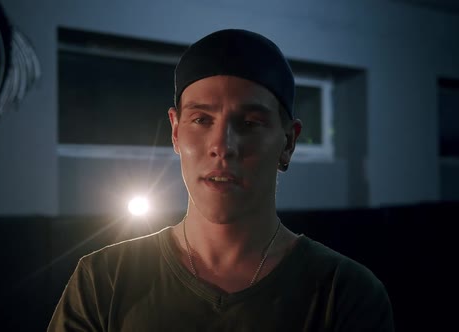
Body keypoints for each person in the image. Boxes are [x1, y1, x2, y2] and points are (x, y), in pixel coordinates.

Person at [47, 29, 394, 331]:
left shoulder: (343, 293)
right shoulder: (104, 280)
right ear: (176, 132)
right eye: (201, 120)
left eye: (249, 123)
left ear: (288, 141)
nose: (222, 147)